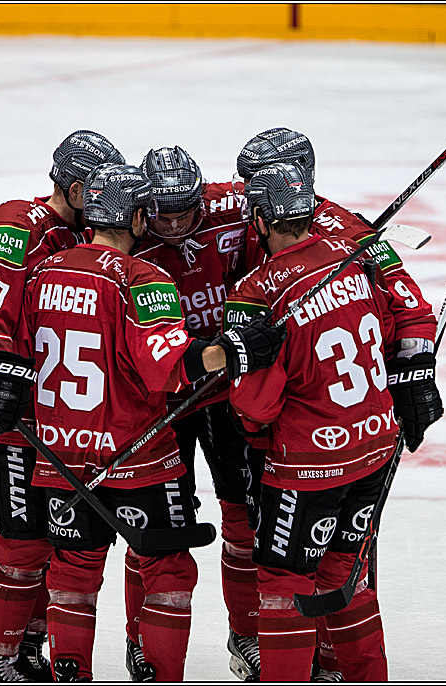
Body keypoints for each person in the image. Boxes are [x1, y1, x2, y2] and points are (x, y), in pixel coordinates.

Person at [0, 162, 287, 681]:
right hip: (137, 454)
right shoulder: (145, 278)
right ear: (139, 216)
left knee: (72, 571)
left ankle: (65, 673)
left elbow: (15, 356)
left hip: (59, 455)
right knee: (169, 569)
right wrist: (235, 349)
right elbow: (171, 365)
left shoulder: (44, 273)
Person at [234, 128, 442, 679]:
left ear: (260, 216)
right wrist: (413, 379)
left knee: (285, 581)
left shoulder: (257, 290)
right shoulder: (358, 248)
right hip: (375, 441)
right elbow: (406, 310)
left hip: (307, 459)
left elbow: (256, 403)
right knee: (346, 574)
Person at [0, 130, 126, 681]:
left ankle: (27, 650)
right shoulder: (16, 226)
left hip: (72, 424)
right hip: (20, 424)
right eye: (100, 185)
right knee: (23, 547)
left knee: (60, 549)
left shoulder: (96, 236)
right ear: (75, 184)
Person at [127, 145, 263, 681]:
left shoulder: (229, 204)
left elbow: (299, 208)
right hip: (164, 399)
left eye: (187, 211)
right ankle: (139, 641)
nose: (179, 223)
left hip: (227, 391)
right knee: (154, 531)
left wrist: (355, 237)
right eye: (165, 214)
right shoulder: (129, 234)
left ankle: (247, 636)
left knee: (244, 520)